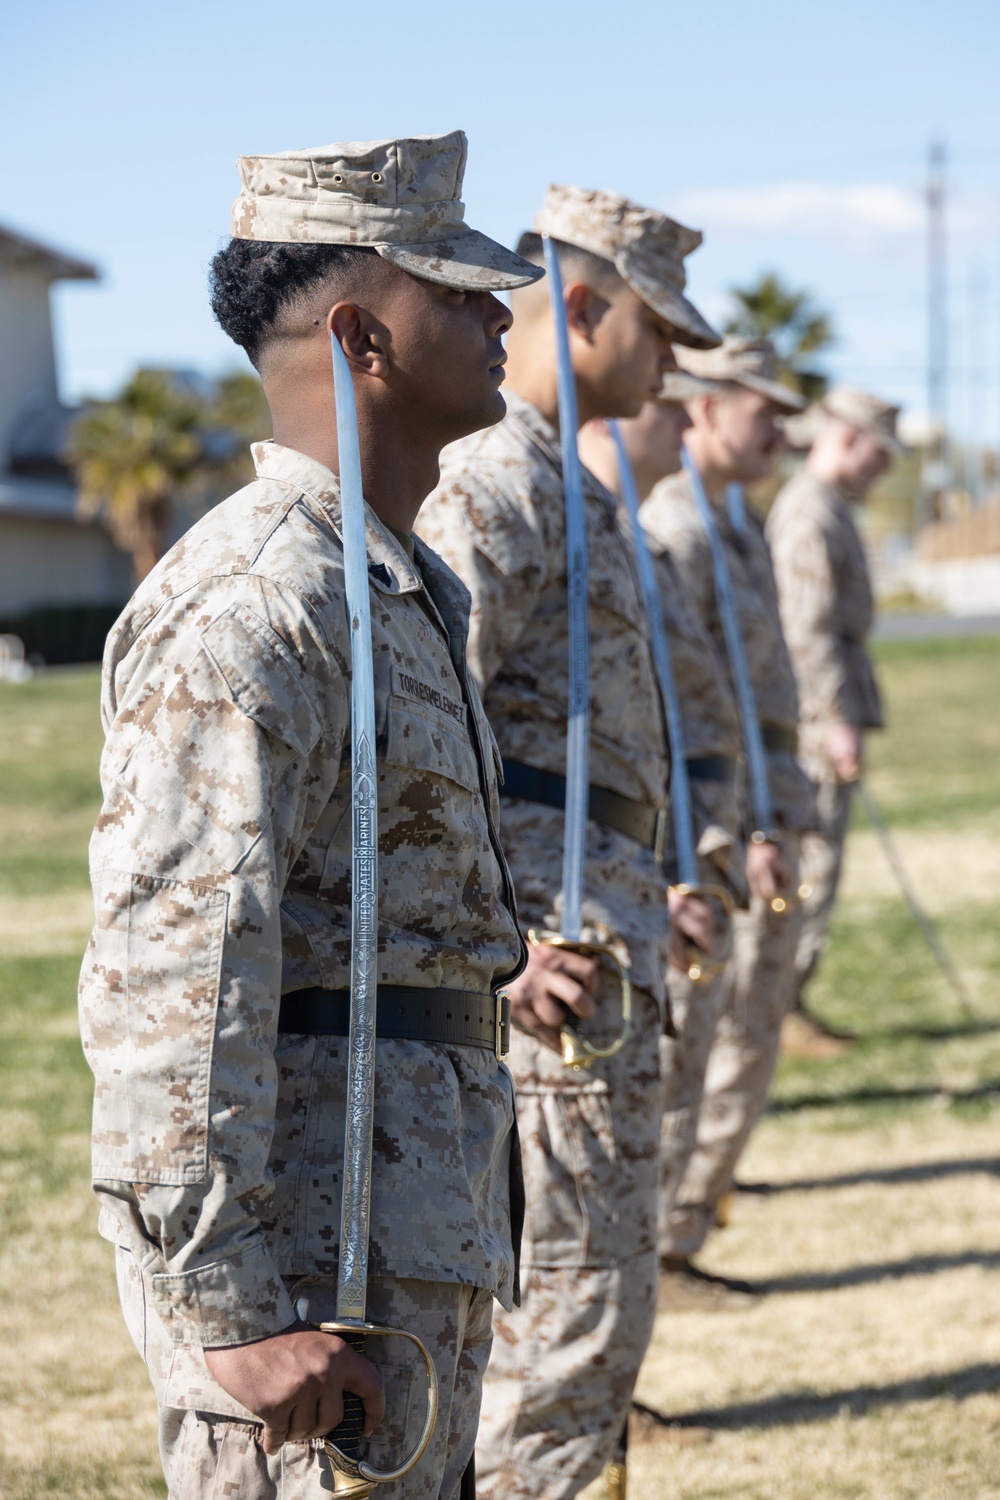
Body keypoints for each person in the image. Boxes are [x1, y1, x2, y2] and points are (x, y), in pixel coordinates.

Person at [77, 130, 544, 1500]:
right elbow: (175, 966)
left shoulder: (387, 584)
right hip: (307, 1270)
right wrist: (229, 1307)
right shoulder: (258, 600)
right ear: (362, 335)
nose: (498, 312)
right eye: (456, 286)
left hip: (407, 1226)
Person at [417, 184, 719, 1498]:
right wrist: (508, 940)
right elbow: (429, 734)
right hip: (550, 970)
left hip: (597, 928)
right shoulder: (501, 477)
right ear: (584, 305)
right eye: (661, 332)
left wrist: (652, 882)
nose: (672, 367)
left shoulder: (562, 474)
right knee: (564, 1330)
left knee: (593, 1314)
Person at [639, 337, 816, 1302]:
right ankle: (665, 1241)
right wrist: (738, 829)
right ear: (705, 409)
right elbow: (686, 709)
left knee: (735, 1031)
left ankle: (679, 1233)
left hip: (752, 804)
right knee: (702, 1041)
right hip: (713, 825)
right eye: (763, 410)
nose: (778, 432)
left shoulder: (727, 521)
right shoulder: (680, 526)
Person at [579, 379, 748, 1315]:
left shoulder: (634, 538)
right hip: (621, 880)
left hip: (668, 862)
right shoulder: (600, 531)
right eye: (668, 400)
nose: (687, 416)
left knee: (668, 1101)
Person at [767, 387, 901, 1058]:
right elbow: (807, 632)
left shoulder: (830, 509)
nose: (884, 472)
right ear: (845, 438)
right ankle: (782, 1007)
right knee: (811, 865)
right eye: (880, 455)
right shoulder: (809, 513)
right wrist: (832, 718)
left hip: (831, 713)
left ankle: (793, 998)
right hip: (818, 722)